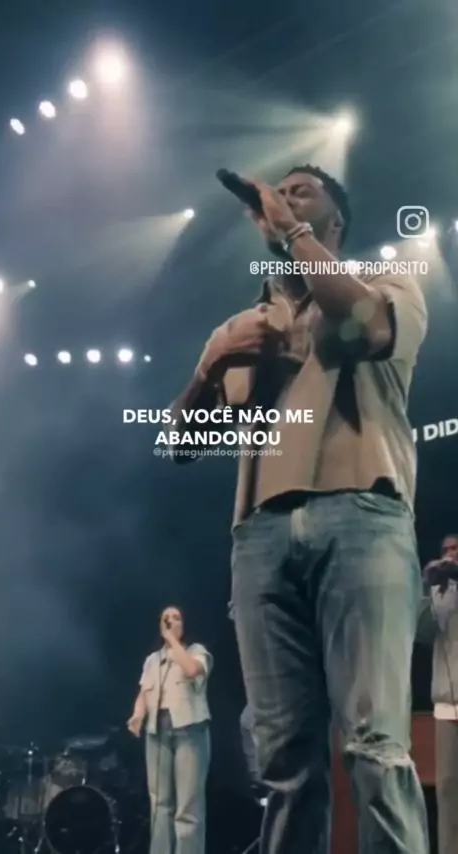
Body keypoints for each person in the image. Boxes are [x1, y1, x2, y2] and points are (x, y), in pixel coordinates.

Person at [170, 165, 429, 853]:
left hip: (363, 518)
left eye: (301, 192)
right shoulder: (241, 328)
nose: (282, 197)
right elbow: (179, 445)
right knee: (283, 764)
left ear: (334, 222)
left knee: (375, 747)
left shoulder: (385, 283)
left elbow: (367, 330)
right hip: (260, 536)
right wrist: (210, 366)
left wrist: (292, 235)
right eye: (278, 193)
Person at [127, 606, 212, 854]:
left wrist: (173, 641)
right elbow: (144, 692)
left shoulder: (197, 651)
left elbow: (192, 670)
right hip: (157, 732)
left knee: (188, 807)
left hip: (190, 731)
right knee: (160, 804)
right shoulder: (152, 660)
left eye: (176, 618)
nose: (171, 621)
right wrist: (137, 716)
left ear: (184, 624)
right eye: (166, 618)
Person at [417, 534, 458, 854]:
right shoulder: (438, 593)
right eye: (446, 550)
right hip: (447, 706)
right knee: (448, 792)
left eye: (456, 550)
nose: (450, 556)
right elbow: (420, 632)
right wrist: (424, 586)